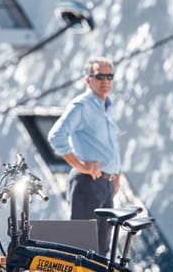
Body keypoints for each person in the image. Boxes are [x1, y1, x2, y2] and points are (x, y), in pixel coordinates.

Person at [47, 57, 121, 256]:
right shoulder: (81, 105)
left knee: (102, 250)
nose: (105, 80)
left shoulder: (108, 107)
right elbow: (56, 136)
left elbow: (111, 146)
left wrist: (117, 176)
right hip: (87, 183)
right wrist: (82, 166)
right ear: (88, 80)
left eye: (109, 76)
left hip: (106, 185)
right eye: (99, 76)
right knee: (83, 249)